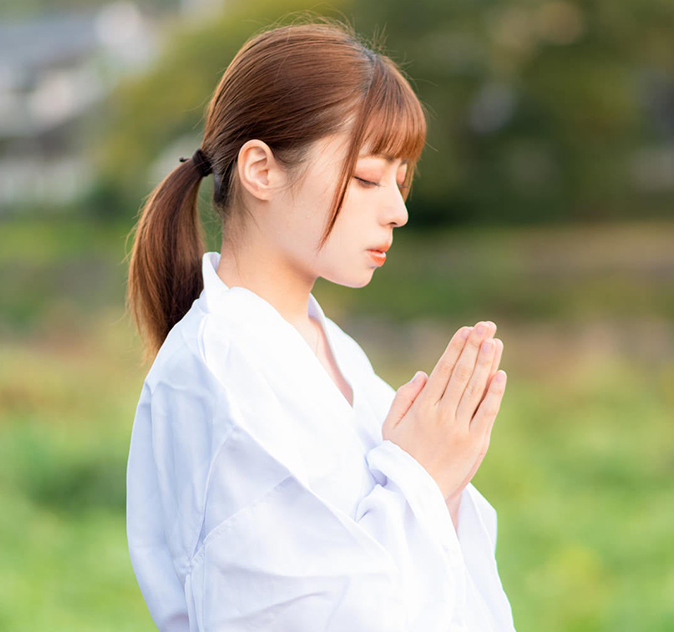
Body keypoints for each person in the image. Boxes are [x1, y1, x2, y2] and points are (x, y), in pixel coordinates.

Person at [123, 18, 516, 632]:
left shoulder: (328, 346)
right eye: (366, 178)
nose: (398, 209)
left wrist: (444, 475)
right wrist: (422, 478)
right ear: (261, 170)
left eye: (401, 181)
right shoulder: (213, 373)